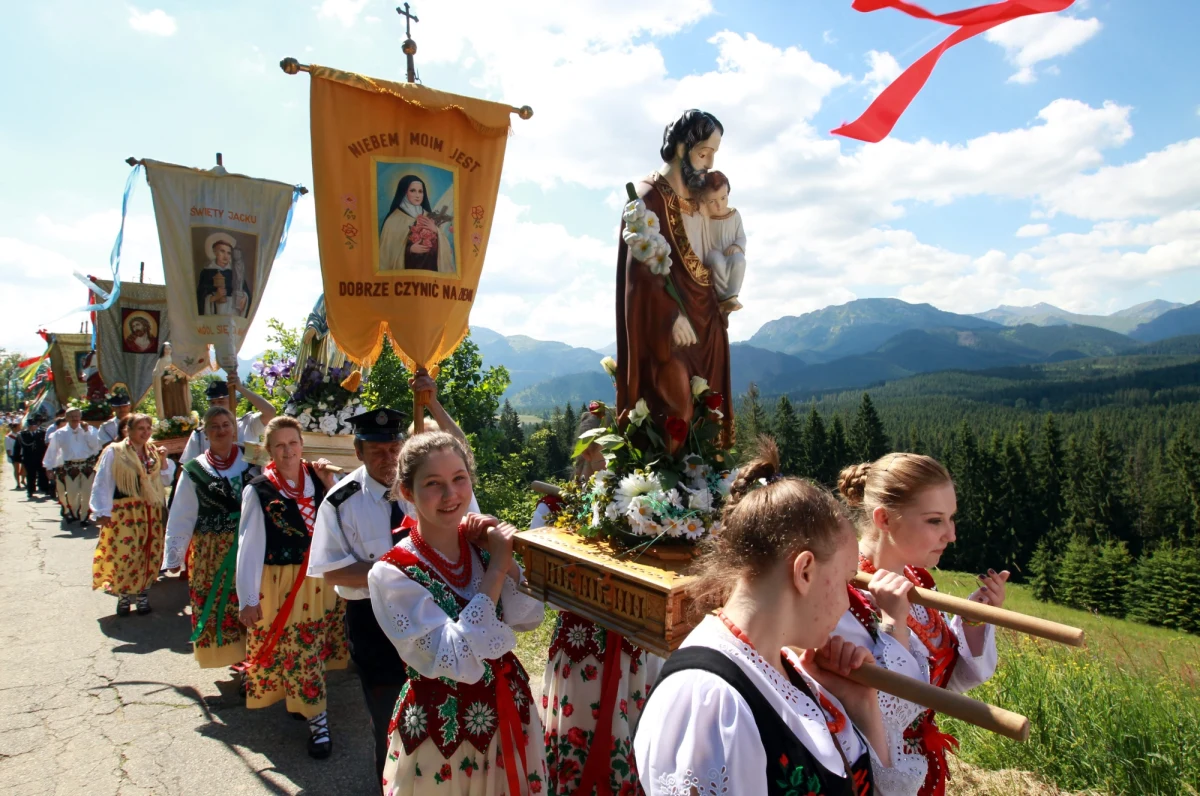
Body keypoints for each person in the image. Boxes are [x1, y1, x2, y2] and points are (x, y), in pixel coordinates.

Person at [634, 439, 923, 796]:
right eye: (846, 580)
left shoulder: (785, 667)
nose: (847, 606)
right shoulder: (710, 700)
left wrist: (860, 706)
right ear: (804, 571)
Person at [308, 375, 479, 788]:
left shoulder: (426, 485)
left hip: (437, 612)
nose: (388, 458)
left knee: (446, 709)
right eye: (376, 450)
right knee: (389, 718)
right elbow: (330, 568)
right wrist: (394, 574)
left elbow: (469, 515)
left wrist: (434, 403)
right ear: (357, 451)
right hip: (372, 621)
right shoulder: (341, 500)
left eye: (393, 448)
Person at [369, 432, 548, 795]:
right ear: (407, 492)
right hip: (441, 734)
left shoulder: (480, 549)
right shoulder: (392, 573)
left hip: (507, 714)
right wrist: (497, 569)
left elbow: (528, 617)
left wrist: (506, 564)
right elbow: (451, 657)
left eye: (458, 479)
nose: (451, 495)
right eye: (433, 484)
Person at [835, 453, 1007, 796]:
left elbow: (939, 687)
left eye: (951, 519)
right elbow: (877, 714)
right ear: (883, 519)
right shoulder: (842, 597)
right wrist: (892, 623)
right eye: (934, 521)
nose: (951, 535)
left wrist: (973, 621)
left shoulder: (920, 581)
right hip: (868, 776)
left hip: (922, 771)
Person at [537, 412, 663, 796]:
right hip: (582, 649)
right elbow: (544, 588)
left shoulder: (648, 509)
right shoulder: (552, 508)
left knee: (641, 729)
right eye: (601, 449)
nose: (608, 460)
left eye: (616, 450)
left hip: (636, 648)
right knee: (582, 729)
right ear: (585, 451)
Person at [616, 109, 734, 450]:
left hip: (707, 324)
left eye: (714, 154)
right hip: (669, 332)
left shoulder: (699, 197)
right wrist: (670, 314)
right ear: (682, 148)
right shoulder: (647, 197)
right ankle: (667, 494)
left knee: (707, 417)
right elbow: (636, 280)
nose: (709, 163)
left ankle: (706, 488)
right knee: (675, 411)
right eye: (703, 153)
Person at [235, 416, 348, 759]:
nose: (288, 451)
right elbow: (249, 546)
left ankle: (304, 702)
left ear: (302, 445)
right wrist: (248, 599)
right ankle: (319, 723)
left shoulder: (319, 478)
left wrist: (330, 483)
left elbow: (345, 517)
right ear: (269, 450)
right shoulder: (258, 490)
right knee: (300, 649)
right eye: (280, 445)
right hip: (281, 582)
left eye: (293, 443)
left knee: (310, 649)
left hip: (320, 581)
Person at [164, 406, 259, 669]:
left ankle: (254, 658)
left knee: (252, 598)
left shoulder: (252, 460)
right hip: (211, 550)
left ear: (234, 428)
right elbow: (182, 513)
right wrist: (174, 555)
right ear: (205, 432)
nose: (221, 430)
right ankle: (234, 658)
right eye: (214, 426)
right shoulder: (194, 469)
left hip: (250, 543)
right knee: (220, 602)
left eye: (226, 424)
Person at [90, 413, 176, 616]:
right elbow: (103, 481)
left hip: (150, 510)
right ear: (128, 430)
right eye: (141, 428)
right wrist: (102, 511)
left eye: (148, 428)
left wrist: (163, 460)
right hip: (125, 510)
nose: (145, 433)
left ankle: (143, 595)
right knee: (125, 553)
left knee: (150, 552)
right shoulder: (115, 452)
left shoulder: (153, 451)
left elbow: (165, 481)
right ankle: (124, 596)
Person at [181, 377, 276, 464]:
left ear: (235, 403)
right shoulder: (200, 434)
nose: (216, 406)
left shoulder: (247, 423)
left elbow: (270, 412)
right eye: (212, 403)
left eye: (221, 402)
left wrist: (240, 388)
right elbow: (188, 467)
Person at [378, 175, 455, 274]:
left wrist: (436, 230)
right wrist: (409, 250)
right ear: (404, 192)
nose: (417, 195)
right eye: (413, 191)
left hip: (430, 274)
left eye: (420, 191)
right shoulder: (393, 220)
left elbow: (445, 250)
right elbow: (386, 255)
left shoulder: (429, 216)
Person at [697, 170, 747, 315]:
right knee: (717, 260)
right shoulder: (705, 218)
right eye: (712, 201)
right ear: (705, 201)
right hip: (712, 253)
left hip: (730, 253)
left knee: (739, 260)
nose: (719, 205)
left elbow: (741, 236)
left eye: (723, 198)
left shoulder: (734, 214)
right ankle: (722, 296)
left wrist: (736, 246)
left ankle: (732, 294)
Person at [43, 407, 102, 524]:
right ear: (67, 418)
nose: (75, 419)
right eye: (72, 416)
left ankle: (84, 516)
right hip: (70, 467)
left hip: (87, 465)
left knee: (87, 492)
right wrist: (48, 467)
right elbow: (52, 450)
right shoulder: (59, 433)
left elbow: (96, 446)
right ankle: (74, 511)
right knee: (72, 494)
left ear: (80, 417)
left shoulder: (90, 430)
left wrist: (86, 432)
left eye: (77, 416)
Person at [197, 232, 251, 317]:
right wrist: (214, 297)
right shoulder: (206, 272)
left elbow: (245, 291)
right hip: (214, 314)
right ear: (215, 252)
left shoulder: (235, 272)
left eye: (229, 253)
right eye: (222, 251)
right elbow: (200, 297)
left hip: (232, 315)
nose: (225, 256)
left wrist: (245, 297)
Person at [17, 420, 42, 499]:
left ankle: (43, 488)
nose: (33, 427)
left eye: (34, 425)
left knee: (41, 473)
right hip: (28, 458)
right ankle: (30, 490)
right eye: (32, 426)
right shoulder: (23, 434)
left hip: (39, 457)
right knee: (30, 475)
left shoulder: (40, 433)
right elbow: (21, 445)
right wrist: (17, 458)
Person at [6, 423, 24, 489]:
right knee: (16, 469)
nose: (20, 428)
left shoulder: (21, 434)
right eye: (18, 427)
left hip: (22, 453)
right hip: (14, 454)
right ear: (14, 428)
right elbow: (8, 447)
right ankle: (18, 483)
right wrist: (9, 456)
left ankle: (23, 479)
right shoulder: (8, 436)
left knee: (24, 467)